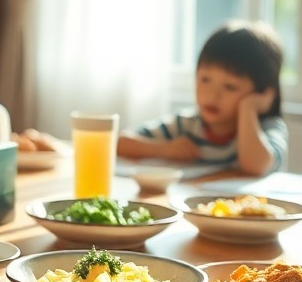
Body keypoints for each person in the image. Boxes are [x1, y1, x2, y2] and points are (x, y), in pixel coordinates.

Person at [117, 20, 287, 176]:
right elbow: (120, 143)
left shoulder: (269, 128)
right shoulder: (187, 124)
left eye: (230, 87)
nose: (212, 95)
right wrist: (165, 149)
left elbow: (256, 166)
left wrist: (248, 109)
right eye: (205, 79)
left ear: (263, 93)